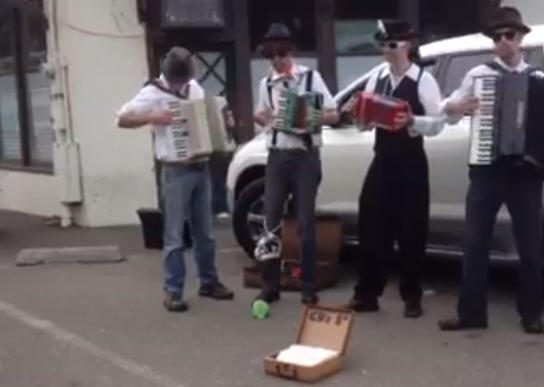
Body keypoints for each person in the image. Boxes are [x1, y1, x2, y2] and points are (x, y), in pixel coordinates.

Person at [437, 7, 544, 334]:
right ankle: (471, 314)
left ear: (521, 37)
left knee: (530, 245)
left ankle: (532, 314)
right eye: (497, 37)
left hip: (525, 172)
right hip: (487, 169)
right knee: (474, 243)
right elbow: (449, 110)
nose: (503, 42)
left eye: (509, 35)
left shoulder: (539, 80)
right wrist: (454, 107)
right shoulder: (478, 76)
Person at [117, 46, 234, 313]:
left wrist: (224, 122)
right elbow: (122, 119)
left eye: (182, 79)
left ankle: (209, 281)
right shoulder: (153, 92)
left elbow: (210, 116)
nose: (180, 84)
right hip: (174, 170)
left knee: (205, 233)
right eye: (176, 80)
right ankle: (173, 291)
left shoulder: (195, 88)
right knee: (174, 236)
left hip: (201, 166)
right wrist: (151, 117)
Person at [347, 20, 446, 319]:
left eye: (391, 45)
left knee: (412, 231)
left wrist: (413, 122)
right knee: (371, 225)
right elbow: (365, 122)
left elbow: (439, 123)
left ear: (406, 46)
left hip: (412, 161)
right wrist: (358, 116)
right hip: (383, 159)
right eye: (383, 45)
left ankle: (412, 296)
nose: (385, 51)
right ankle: (367, 293)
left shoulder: (423, 81)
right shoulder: (377, 78)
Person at [252, 23, 338, 306]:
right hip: (277, 156)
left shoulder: (311, 78)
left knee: (305, 223)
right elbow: (261, 114)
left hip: (304, 156)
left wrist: (308, 118)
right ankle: (269, 285)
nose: (276, 61)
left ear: (291, 53)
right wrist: (264, 118)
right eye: (271, 56)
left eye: (280, 55)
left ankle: (308, 286)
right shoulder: (266, 83)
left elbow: (334, 114)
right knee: (270, 222)